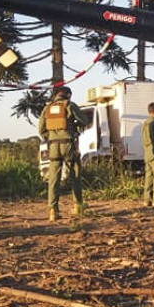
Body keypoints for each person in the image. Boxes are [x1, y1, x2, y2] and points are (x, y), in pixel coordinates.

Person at [38, 86, 90, 221]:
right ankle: (78, 206)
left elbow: (41, 129)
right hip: (68, 144)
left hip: (53, 146)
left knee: (54, 179)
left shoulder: (47, 108)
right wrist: (74, 125)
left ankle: (52, 210)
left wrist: (50, 138)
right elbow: (84, 121)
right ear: (68, 94)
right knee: (75, 174)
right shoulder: (70, 105)